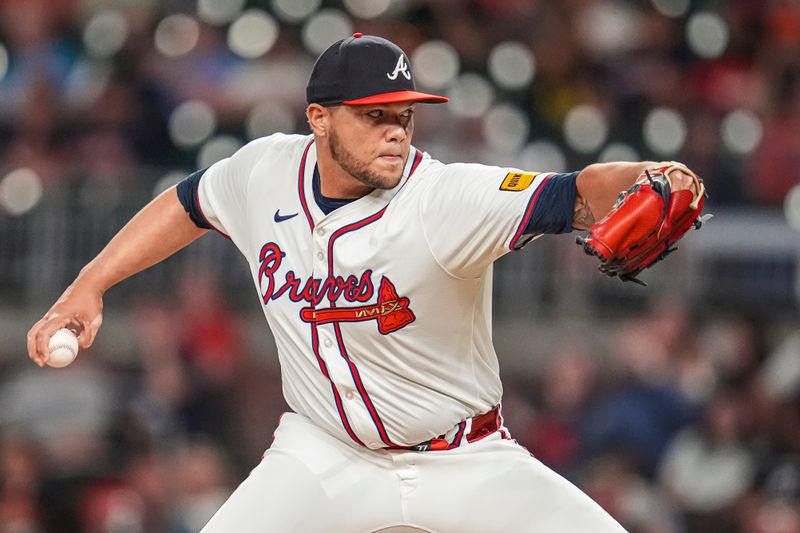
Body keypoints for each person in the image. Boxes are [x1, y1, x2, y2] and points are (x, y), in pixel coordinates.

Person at [27, 34, 699, 532]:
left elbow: (574, 194)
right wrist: (91, 281)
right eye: (373, 114)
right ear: (319, 117)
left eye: (403, 115)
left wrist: (654, 175)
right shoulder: (264, 173)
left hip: (464, 458)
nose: (394, 133)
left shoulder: (445, 199)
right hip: (322, 452)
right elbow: (187, 204)